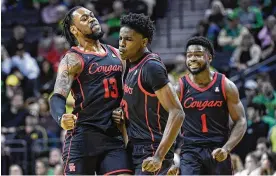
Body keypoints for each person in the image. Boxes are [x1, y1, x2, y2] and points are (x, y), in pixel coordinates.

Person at [49, 6, 132, 175]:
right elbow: (57, 96)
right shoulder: (72, 59)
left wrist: (124, 109)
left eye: (92, 16)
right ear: (74, 29)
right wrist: (61, 117)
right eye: (85, 19)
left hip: (112, 136)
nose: (92, 19)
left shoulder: (117, 54)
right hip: (82, 137)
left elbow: (129, 92)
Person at [112, 13, 185, 175]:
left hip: (151, 149)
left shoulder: (151, 67)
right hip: (134, 147)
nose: (122, 44)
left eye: (128, 40)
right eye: (120, 39)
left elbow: (177, 112)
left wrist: (159, 157)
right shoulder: (131, 65)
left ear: (144, 42)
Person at [171, 36, 247, 175]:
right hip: (191, 151)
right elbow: (166, 123)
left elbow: (241, 120)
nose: (192, 58)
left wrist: (227, 148)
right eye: (189, 55)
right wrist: (168, 158)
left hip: (218, 149)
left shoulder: (226, 85)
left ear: (209, 58)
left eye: (198, 55)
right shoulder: (180, 88)